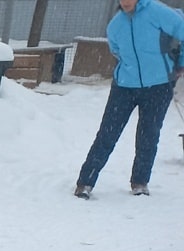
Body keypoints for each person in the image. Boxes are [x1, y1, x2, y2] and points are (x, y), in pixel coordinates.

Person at [74, 0, 184, 199]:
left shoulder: (158, 12)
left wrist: (180, 63)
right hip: (124, 86)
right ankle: (85, 182)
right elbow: (117, 52)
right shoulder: (115, 25)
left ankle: (140, 182)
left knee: (148, 135)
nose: (125, 2)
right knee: (107, 134)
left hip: (158, 85)